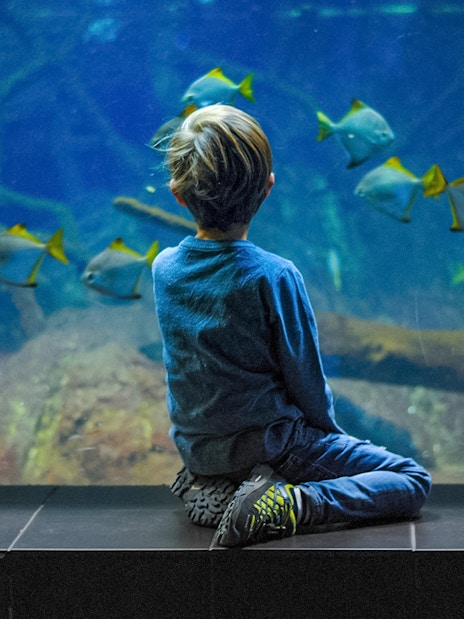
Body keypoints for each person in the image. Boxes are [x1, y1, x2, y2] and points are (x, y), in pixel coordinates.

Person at [152, 104, 431, 548]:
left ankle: (216, 486)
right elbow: (305, 377)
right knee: (410, 478)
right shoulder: (273, 275)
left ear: (178, 195)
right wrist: (329, 434)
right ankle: (290, 504)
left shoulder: (164, 268)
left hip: (199, 450)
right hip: (272, 445)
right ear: (267, 189)